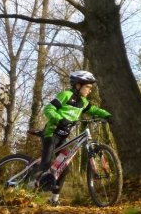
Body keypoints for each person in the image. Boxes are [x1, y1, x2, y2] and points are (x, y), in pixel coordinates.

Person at [37, 70, 111, 205]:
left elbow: (93, 110)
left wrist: (107, 115)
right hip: (51, 133)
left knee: (64, 168)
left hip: (63, 137)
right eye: (88, 87)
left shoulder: (82, 102)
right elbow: (48, 109)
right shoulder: (66, 95)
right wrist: (60, 119)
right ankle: (33, 184)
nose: (89, 91)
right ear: (78, 85)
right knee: (47, 163)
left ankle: (54, 200)